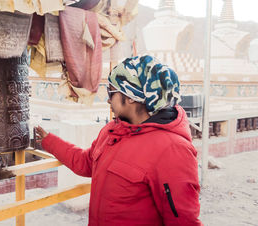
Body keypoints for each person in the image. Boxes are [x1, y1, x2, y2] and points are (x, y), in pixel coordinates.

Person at [35, 55, 202, 225]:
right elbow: (86, 162)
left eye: (111, 92)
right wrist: (49, 141)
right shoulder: (112, 131)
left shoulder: (172, 149)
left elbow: (184, 220)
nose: (108, 99)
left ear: (130, 96)